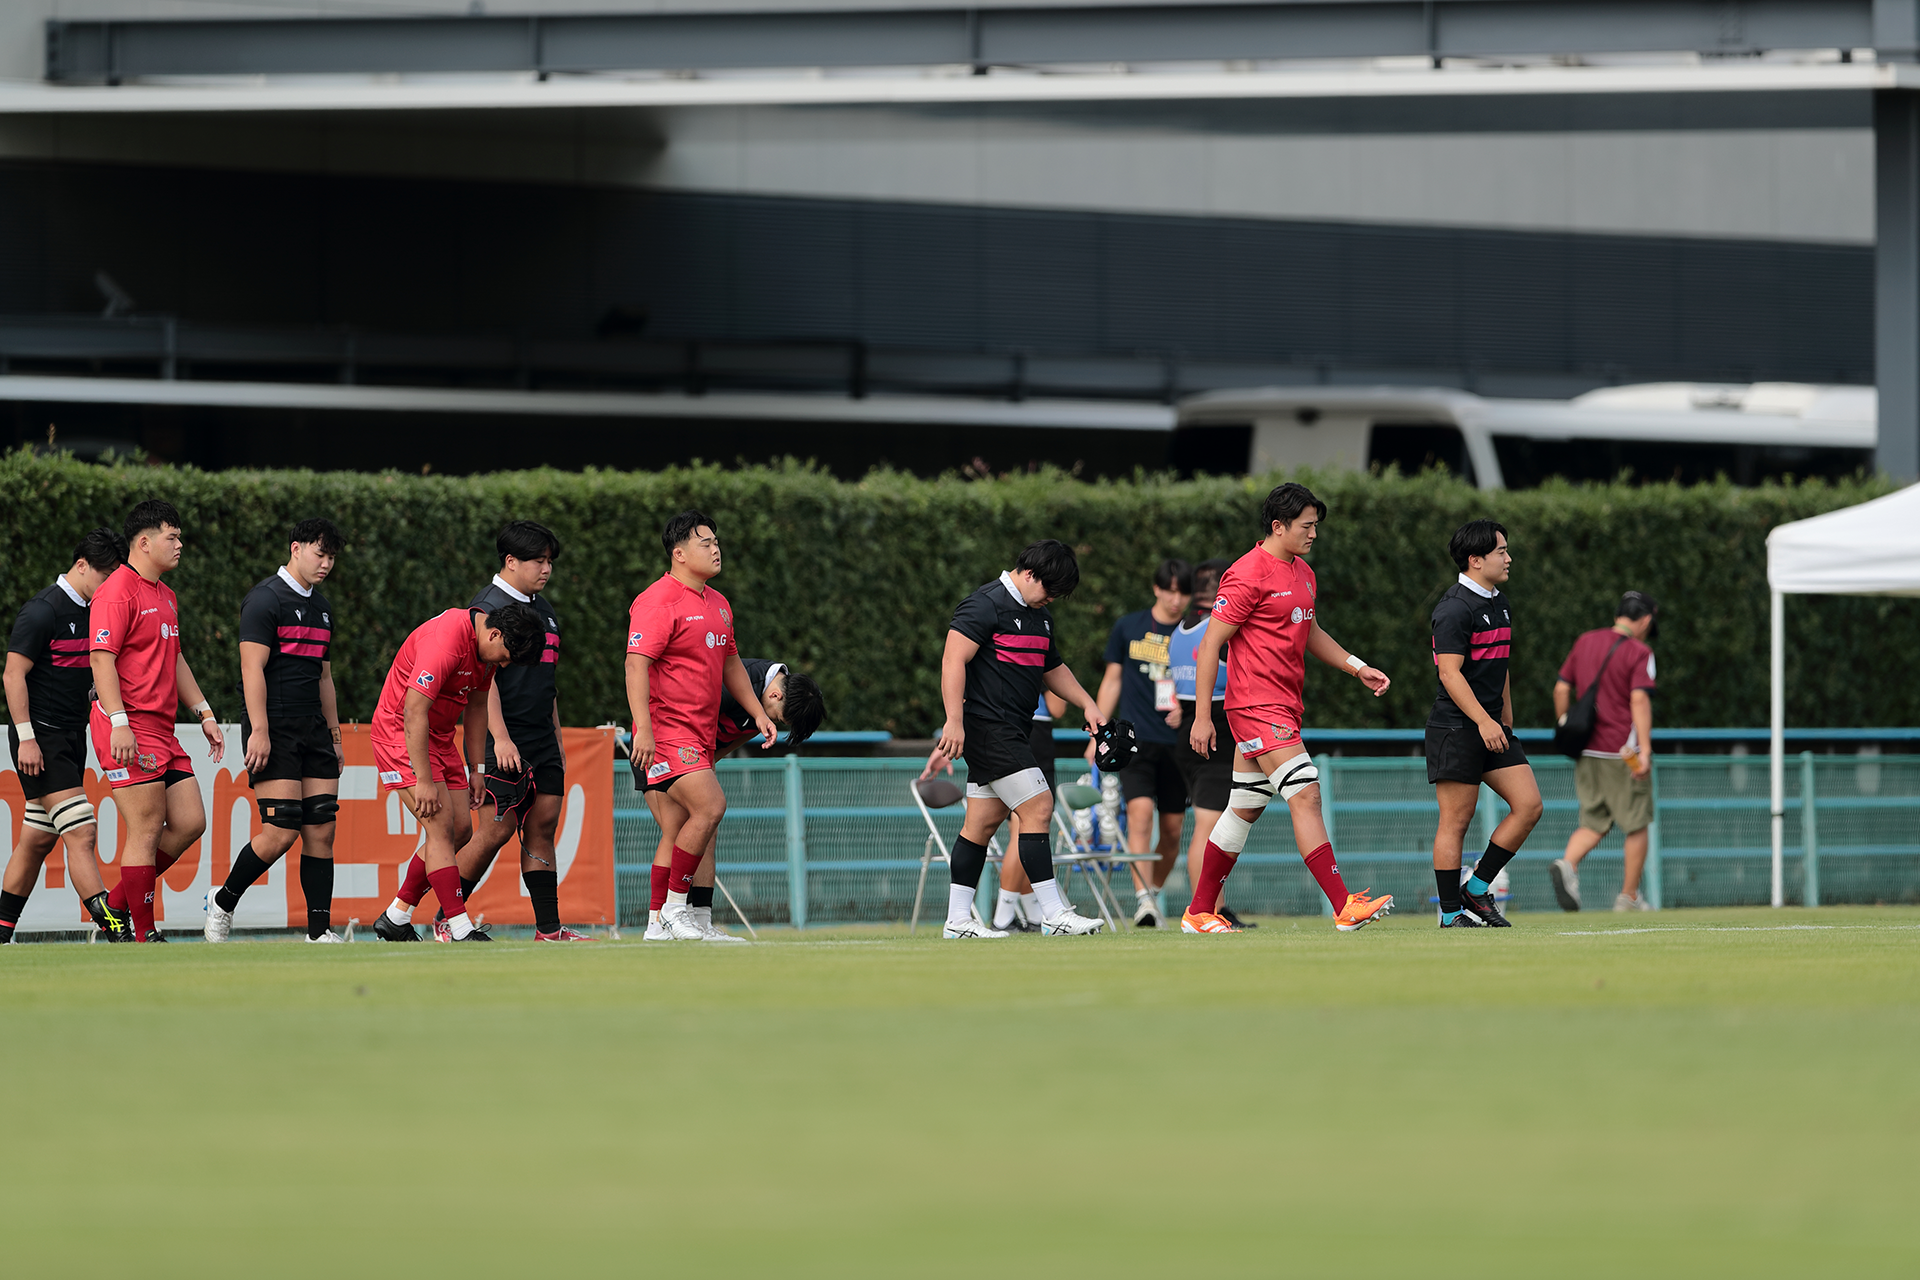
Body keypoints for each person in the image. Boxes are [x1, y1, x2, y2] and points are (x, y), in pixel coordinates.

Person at [1185, 483, 1394, 935]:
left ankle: (1199, 912)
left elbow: (1309, 629)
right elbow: (1210, 646)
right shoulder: (1246, 574)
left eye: (1316, 525)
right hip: (1256, 706)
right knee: (1306, 793)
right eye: (1306, 526)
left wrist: (1356, 666)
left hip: (1283, 705)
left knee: (1243, 807)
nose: (1314, 533)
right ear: (1278, 526)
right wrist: (1202, 717)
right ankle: (1344, 905)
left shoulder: (1303, 572)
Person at [920, 539, 1108, 938]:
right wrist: (953, 721)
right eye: (1050, 589)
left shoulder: (1040, 615)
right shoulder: (985, 604)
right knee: (1039, 805)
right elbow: (953, 659)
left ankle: (957, 921)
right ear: (1029, 573)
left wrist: (1088, 704)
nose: (1052, 598)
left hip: (1015, 729)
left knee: (981, 824)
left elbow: (1052, 668)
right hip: (989, 728)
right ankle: (1054, 914)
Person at [427, 521, 592, 942]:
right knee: (496, 829)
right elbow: (483, 684)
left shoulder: (546, 610)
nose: (546, 569)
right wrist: (500, 737)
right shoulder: (487, 607)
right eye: (538, 561)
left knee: (542, 826)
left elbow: (547, 682)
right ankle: (448, 918)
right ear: (511, 561)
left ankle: (549, 930)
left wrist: (556, 738)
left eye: (550, 561)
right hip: (499, 737)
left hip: (541, 737)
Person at [627, 511, 777, 941]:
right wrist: (643, 729)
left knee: (683, 828)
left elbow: (732, 664)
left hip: (700, 734)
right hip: (667, 731)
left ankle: (664, 924)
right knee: (711, 807)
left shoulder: (719, 603)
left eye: (716, 542)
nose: (716, 549)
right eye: (705, 543)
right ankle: (675, 910)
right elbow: (635, 665)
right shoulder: (658, 600)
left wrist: (759, 713)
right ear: (678, 554)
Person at [204, 518, 348, 944]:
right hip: (274, 725)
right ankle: (223, 901)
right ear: (295, 548)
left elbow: (324, 678)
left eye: (332, 557)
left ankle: (319, 933)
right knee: (281, 831)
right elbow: (252, 668)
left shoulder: (323, 608)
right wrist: (260, 731)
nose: (326, 564)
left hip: (314, 728)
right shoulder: (265, 599)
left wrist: (335, 736)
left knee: (321, 829)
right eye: (320, 554)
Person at [370, 599, 546, 942]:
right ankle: (460, 927)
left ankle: (396, 916)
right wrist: (423, 780)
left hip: (440, 737)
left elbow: (477, 707)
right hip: (401, 733)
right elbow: (413, 712)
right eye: (506, 656)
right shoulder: (446, 640)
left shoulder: (486, 651)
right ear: (494, 634)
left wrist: (477, 770)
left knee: (462, 830)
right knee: (440, 828)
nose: (504, 664)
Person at [90, 499, 226, 943]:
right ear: (144, 542)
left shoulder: (166, 595)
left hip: (162, 730)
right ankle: (143, 934)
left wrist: (204, 712)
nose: (179, 544)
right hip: (128, 725)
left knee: (190, 822)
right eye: (172, 537)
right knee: (146, 828)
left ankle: (114, 905)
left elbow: (176, 657)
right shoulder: (116, 590)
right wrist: (119, 721)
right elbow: (101, 659)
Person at [1, 528, 131, 943]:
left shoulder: (95, 610)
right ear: (81, 565)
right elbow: (12, 675)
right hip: (41, 739)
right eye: (105, 576)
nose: (109, 586)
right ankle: (116, 930)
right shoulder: (43, 610)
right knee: (82, 831)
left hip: (72, 737)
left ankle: (1, 932)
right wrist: (26, 737)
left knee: (37, 840)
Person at [642, 656, 826, 941]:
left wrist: (707, 764)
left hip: (695, 756)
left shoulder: (766, 697)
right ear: (775, 695)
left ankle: (701, 921)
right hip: (659, 745)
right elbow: (682, 712)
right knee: (679, 828)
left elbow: (737, 736)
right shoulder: (739, 682)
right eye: (779, 718)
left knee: (705, 829)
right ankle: (661, 919)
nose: (774, 722)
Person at [1425, 519, 1545, 927]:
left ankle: (1476, 889)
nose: (1508, 558)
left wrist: (1504, 716)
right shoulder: (1454, 609)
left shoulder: (1500, 602)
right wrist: (1483, 721)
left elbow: (1500, 663)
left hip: (1492, 726)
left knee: (1529, 806)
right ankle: (1450, 914)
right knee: (1456, 822)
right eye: (1501, 552)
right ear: (1475, 560)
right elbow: (1449, 673)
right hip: (1457, 729)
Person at [1093, 558, 1192, 926]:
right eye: (1170, 591)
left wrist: (1187, 709)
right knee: (1140, 815)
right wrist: (1098, 731)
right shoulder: (1128, 627)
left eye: (1183, 593)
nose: (1176, 600)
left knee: (1173, 832)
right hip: (1135, 741)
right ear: (1156, 589)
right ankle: (1143, 901)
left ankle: (1151, 894)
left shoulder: (1194, 632)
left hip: (1179, 745)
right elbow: (1112, 680)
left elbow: (1206, 681)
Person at [1550, 592, 1660, 912]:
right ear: (1646, 620)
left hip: (1587, 749)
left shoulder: (1585, 641)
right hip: (1623, 751)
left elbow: (1561, 688)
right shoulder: (1639, 652)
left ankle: (1567, 865)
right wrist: (1645, 751)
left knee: (1593, 822)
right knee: (1637, 823)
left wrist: (1565, 722)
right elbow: (1639, 699)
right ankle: (1629, 896)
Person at [1165, 557, 1255, 928]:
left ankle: (1218, 907)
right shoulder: (1218, 629)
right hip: (1214, 729)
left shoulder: (1179, 631)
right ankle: (1206, 910)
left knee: (1213, 824)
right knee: (1209, 825)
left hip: (1187, 728)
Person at [987, 690, 1065, 933]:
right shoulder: (1038, 663)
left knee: (1022, 828)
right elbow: (1058, 707)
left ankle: (1033, 915)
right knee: (1026, 828)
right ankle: (1002, 918)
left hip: (1002, 728)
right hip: (1033, 730)